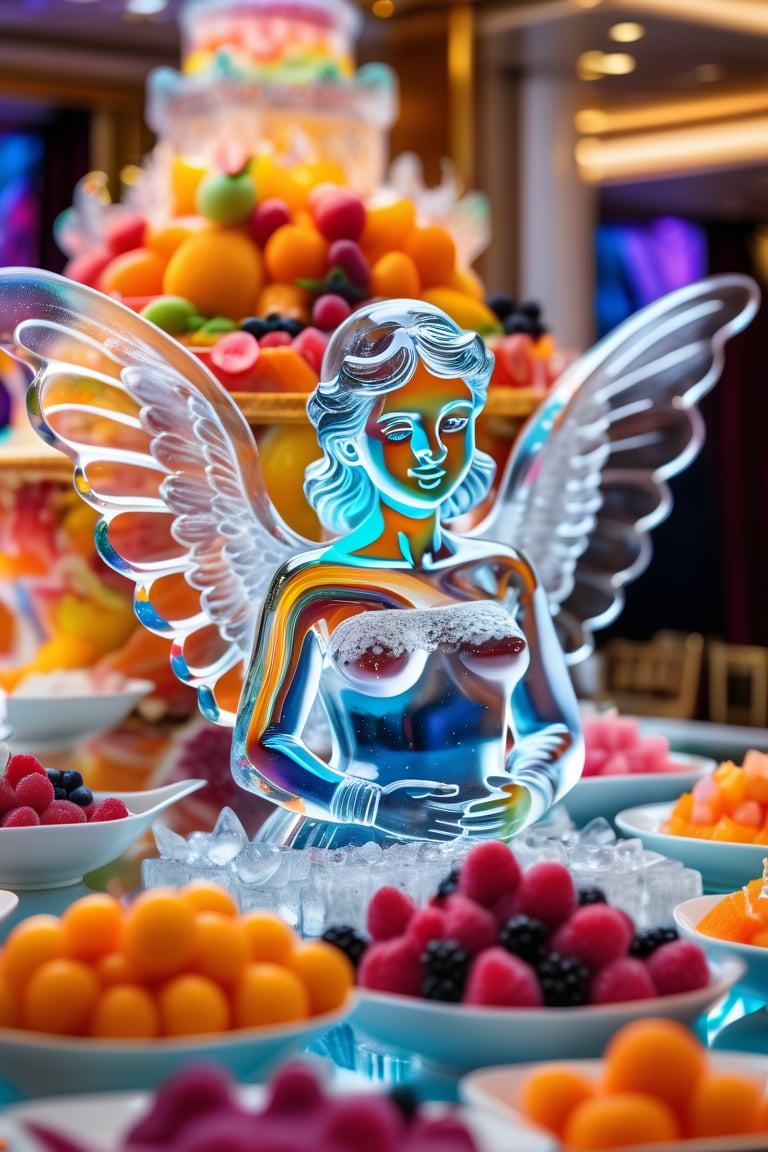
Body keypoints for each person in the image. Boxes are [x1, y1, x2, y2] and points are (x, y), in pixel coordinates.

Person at [233, 300, 583, 847]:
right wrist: (368, 806)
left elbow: (555, 728)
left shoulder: (502, 571)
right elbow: (258, 750)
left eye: (454, 423)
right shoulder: (314, 585)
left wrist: (531, 793)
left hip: (488, 847)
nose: (431, 450)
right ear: (349, 439)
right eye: (399, 428)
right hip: (351, 849)